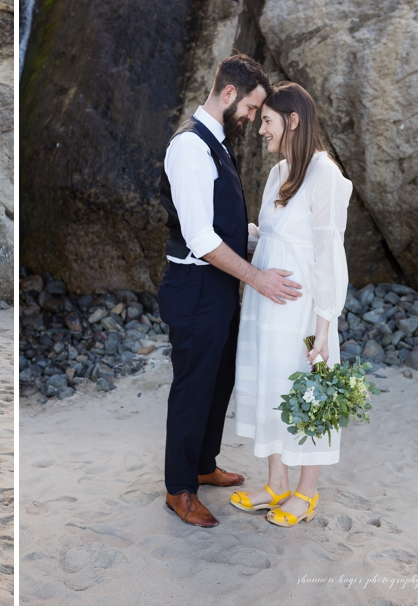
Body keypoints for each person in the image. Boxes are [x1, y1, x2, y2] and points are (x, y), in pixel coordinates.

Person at [157, 54, 301, 528]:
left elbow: (223, 226)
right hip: (194, 287)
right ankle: (180, 488)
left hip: (218, 286)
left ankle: (203, 464)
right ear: (228, 93)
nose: (254, 119)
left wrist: (270, 242)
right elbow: (200, 238)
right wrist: (259, 278)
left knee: (219, 381)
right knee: (193, 385)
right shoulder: (189, 147)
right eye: (252, 108)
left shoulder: (215, 142)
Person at [228, 81, 351, 527]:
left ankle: (306, 492)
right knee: (272, 386)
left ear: (293, 120)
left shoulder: (325, 175)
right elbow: (272, 237)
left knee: (308, 393)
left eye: (267, 120)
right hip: (266, 305)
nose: (261, 128)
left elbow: (328, 254)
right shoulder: (279, 172)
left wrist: (324, 327)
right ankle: (276, 483)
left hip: (302, 310)